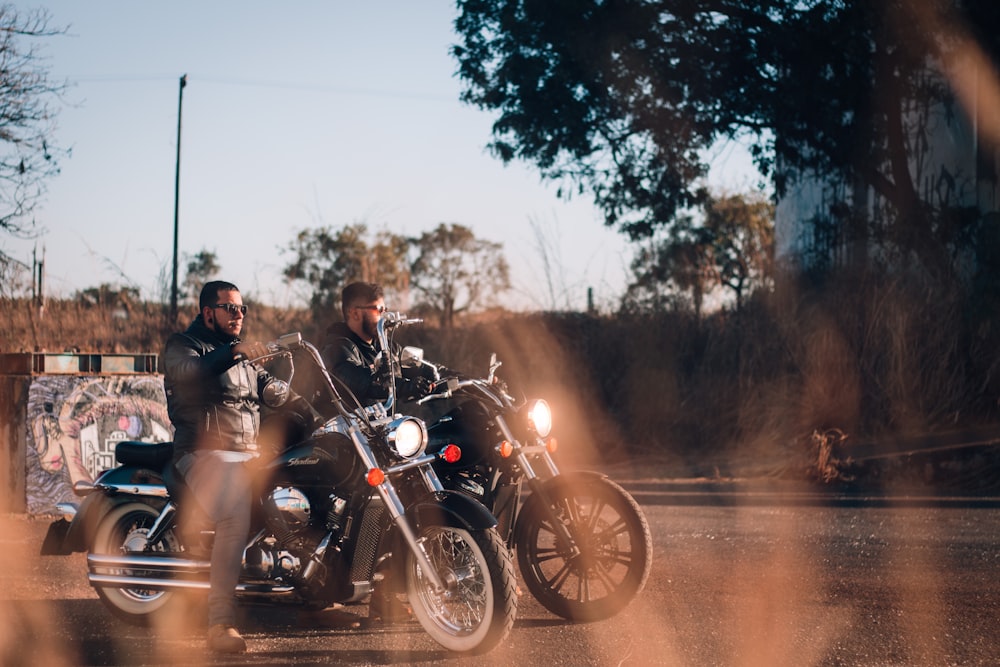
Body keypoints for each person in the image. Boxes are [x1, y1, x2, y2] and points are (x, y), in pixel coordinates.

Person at [163, 280, 288, 653]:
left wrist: (310, 404)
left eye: (242, 309)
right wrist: (236, 352)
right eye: (231, 308)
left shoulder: (243, 357)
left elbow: (272, 390)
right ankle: (220, 623)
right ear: (208, 312)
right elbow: (192, 372)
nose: (239, 314)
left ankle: (317, 596)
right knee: (234, 512)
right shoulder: (182, 346)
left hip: (247, 453)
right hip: (202, 453)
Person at [320, 281, 434, 408]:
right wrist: (405, 386)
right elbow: (361, 381)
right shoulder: (337, 349)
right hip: (349, 425)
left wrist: (446, 377)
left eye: (385, 310)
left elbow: (417, 366)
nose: (384, 316)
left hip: (382, 424)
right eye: (378, 310)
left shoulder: (383, 346)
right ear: (355, 314)